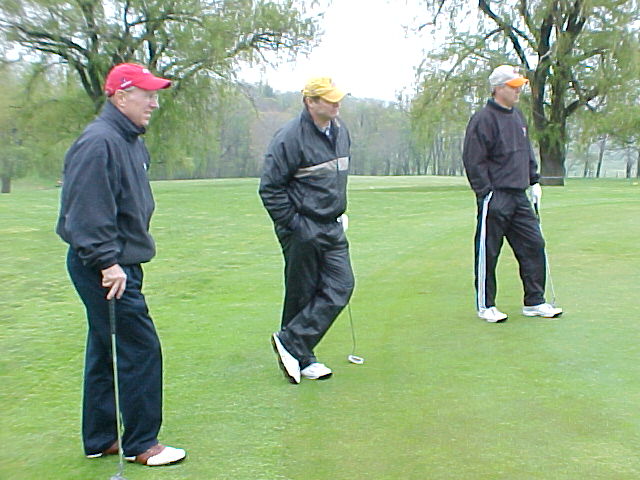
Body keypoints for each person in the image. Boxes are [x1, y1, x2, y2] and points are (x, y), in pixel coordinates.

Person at [56, 63, 186, 466]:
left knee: (104, 348)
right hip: (105, 267)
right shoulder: (99, 142)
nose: (154, 102)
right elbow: (86, 211)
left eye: (155, 94)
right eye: (147, 94)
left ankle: (100, 437)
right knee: (140, 348)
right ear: (121, 95)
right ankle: (143, 444)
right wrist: (107, 263)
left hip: (117, 262)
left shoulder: (128, 140)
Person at [259, 77, 355, 384]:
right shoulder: (290, 137)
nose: (336, 104)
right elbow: (270, 189)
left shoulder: (340, 131)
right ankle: (303, 357)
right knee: (302, 291)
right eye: (328, 99)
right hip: (302, 226)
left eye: (337, 98)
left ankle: (292, 342)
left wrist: (339, 211)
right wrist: (298, 226)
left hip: (332, 224)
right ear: (310, 102)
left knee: (341, 285)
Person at [462, 65, 563, 323]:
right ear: (498, 88)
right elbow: (474, 160)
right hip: (495, 196)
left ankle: (534, 301)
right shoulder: (483, 119)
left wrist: (534, 181)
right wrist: (485, 192)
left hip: (520, 195)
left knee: (534, 245)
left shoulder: (518, 117)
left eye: (519, 87)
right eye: (513, 87)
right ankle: (486, 305)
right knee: (488, 252)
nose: (518, 91)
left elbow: (526, 152)